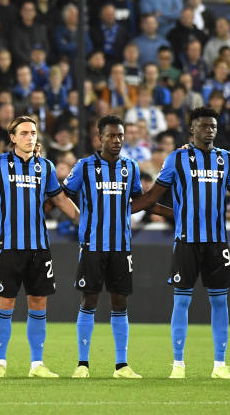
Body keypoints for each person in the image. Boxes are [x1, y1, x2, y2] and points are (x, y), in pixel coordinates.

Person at [133, 107, 230, 379]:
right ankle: (178, 364)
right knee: (181, 302)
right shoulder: (176, 159)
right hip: (186, 241)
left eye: (213, 126)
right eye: (203, 126)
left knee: (220, 302)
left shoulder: (225, 159)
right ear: (192, 129)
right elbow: (153, 197)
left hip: (217, 243)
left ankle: (219, 365)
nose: (209, 130)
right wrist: (123, 205)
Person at [0, 116, 80, 378]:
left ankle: (36, 364)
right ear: (12, 138)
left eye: (33, 133)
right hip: (9, 246)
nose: (30, 137)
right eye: (24, 133)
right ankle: (0, 363)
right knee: (5, 303)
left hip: (39, 246)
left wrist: (86, 223)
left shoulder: (46, 166)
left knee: (38, 303)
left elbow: (60, 199)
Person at [63, 116, 170, 379]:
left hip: (121, 246)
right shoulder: (84, 166)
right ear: (99, 138)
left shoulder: (130, 167)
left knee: (120, 302)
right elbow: (62, 196)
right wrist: (79, 217)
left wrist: (176, 212)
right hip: (92, 245)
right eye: (111, 136)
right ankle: (82, 364)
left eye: (120, 136)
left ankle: (121, 365)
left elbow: (141, 201)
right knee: (88, 299)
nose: (116, 140)